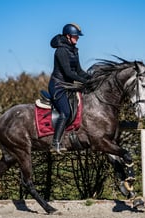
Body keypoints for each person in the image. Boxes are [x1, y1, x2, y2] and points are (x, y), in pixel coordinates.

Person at [48, 23, 91, 153]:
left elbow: (79, 71)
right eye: (75, 36)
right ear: (68, 36)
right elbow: (68, 73)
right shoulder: (60, 50)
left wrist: (91, 78)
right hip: (58, 86)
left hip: (69, 86)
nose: (77, 38)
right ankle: (55, 143)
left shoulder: (74, 50)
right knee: (66, 112)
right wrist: (84, 81)